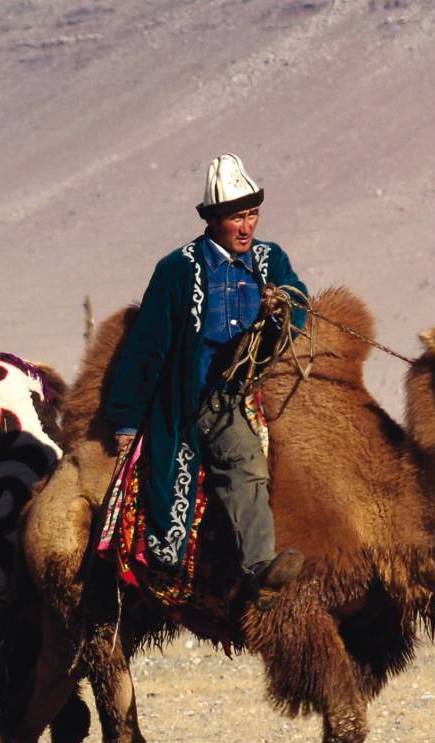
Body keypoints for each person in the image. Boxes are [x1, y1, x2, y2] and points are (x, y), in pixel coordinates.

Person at [104, 154, 308, 608]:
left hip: (259, 385)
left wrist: (282, 307)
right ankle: (259, 569)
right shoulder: (178, 269)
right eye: (237, 216)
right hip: (205, 398)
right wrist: (125, 420)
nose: (247, 226)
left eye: (252, 214)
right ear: (214, 220)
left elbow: (298, 299)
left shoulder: (269, 259)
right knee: (242, 458)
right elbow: (148, 347)